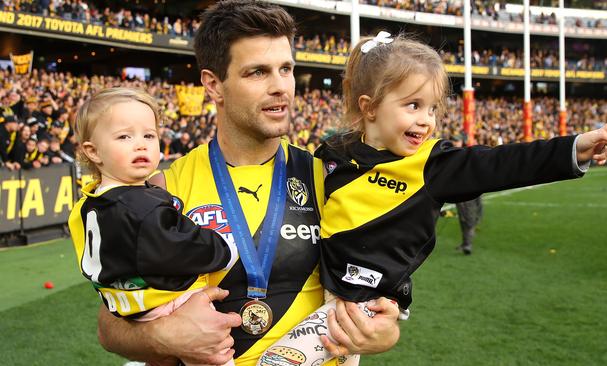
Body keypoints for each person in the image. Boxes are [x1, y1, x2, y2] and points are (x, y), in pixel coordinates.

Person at [257, 32, 607, 366]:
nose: (427, 120)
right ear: (369, 107)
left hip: (364, 304)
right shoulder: (332, 153)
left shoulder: (432, 165)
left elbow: (503, 164)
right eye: (413, 105)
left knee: (276, 362)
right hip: (322, 292)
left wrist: (575, 147)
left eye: (432, 108)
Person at [96, 2, 400, 366]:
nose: (280, 87)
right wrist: (164, 335)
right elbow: (111, 326)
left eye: (285, 69)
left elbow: (375, 293)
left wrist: (384, 331)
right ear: (213, 85)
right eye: (257, 72)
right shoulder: (163, 190)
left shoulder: (328, 178)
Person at [68, 87, 239, 366]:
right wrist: (222, 249)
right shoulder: (140, 207)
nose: (140, 144)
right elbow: (179, 250)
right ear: (93, 151)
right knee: (215, 355)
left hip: (129, 307)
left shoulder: (88, 203)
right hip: (168, 304)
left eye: (149, 135)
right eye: (124, 136)